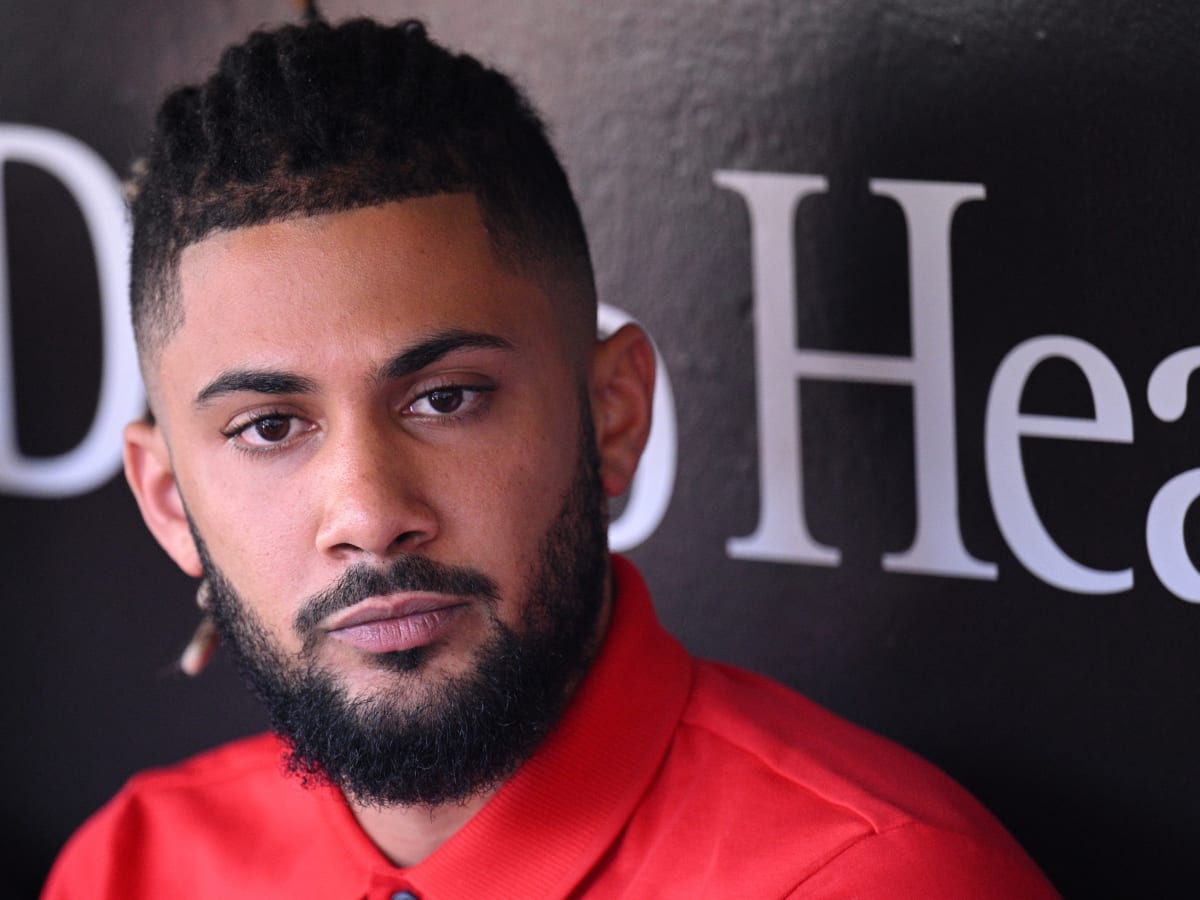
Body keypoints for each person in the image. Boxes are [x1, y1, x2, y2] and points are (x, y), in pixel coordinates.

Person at [43, 12, 1059, 899]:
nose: (367, 512)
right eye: (270, 427)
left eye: (446, 398)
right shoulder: (127, 870)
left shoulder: (884, 883)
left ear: (613, 414)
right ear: (171, 503)